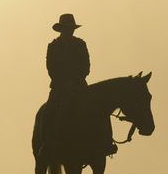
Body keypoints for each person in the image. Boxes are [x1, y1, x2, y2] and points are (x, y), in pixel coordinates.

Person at [41, 13, 116, 159]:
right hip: (59, 87)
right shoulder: (53, 46)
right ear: (61, 29)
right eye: (67, 28)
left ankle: (106, 142)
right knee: (49, 111)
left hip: (79, 85)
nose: (70, 31)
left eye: (71, 28)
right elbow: (51, 67)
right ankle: (46, 144)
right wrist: (64, 82)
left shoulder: (80, 44)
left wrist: (75, 80)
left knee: (100, 109)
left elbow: (86, 66)